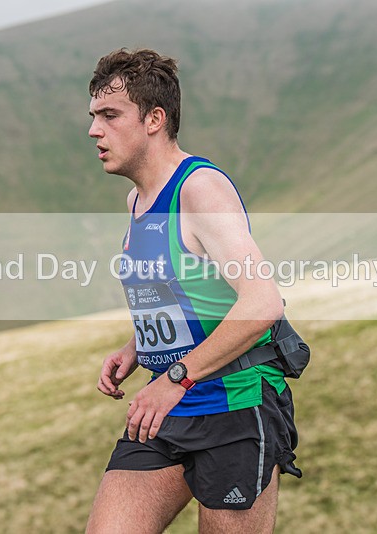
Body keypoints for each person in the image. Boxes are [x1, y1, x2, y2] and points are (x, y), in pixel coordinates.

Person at [85, 48, 301, 534]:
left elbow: (262, 303)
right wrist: (137, 348)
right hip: (167, 410)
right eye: (94, 117)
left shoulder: (199, 190)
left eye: (110, 116)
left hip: (234, 409)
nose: (94, 131)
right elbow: (187, 294)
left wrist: (175, 378)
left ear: (155, 119)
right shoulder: (137, 200)